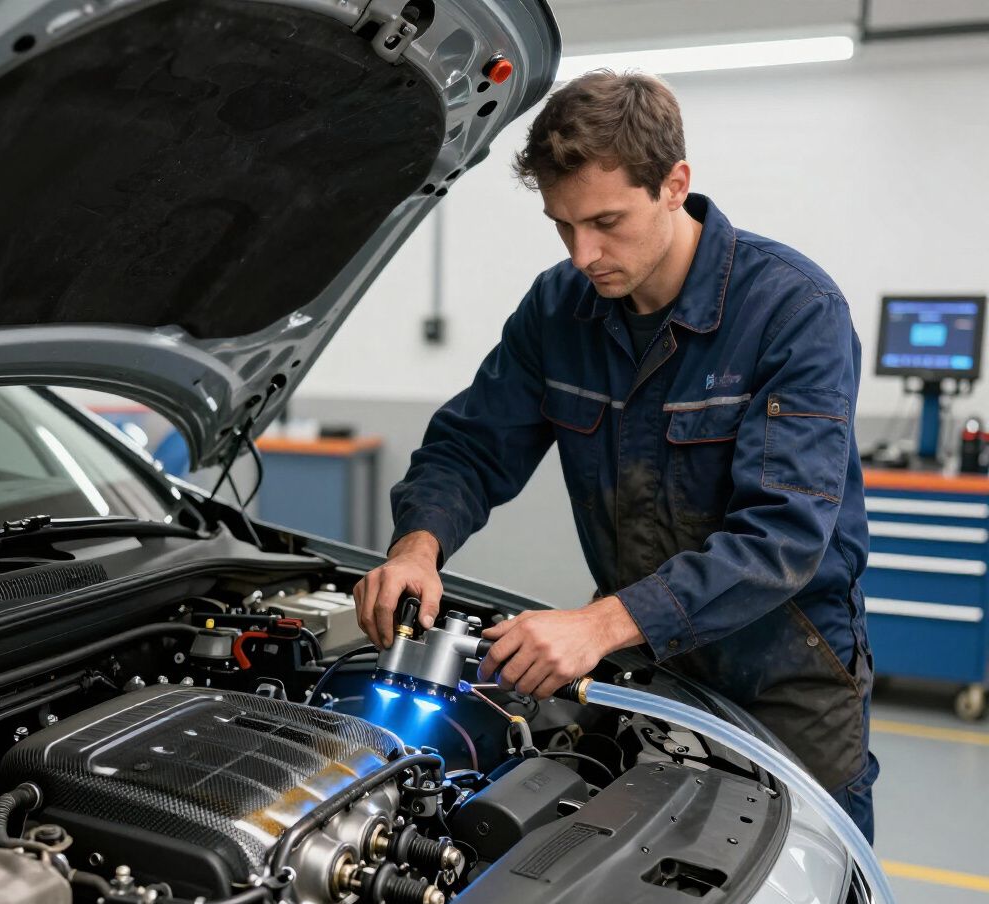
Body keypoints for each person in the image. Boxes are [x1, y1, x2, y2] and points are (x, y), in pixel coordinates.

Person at [352, 71, 878, 842]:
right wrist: (416, 547)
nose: (584, 253)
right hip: (645, 671)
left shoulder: (793, 312)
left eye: (606, 221)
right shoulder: (558, 308)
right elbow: (472, 445)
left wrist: (600, 624)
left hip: (784, 683)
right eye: (563, 226)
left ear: (675, 184)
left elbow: (784, 536)